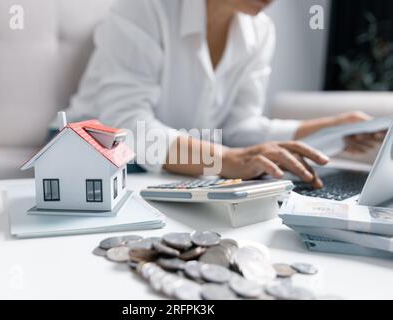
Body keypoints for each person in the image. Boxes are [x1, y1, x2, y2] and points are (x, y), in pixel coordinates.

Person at [64, 0, 384, 189]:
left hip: (179, 162)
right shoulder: (145, 7)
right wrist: (226, 159)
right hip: (88, 153)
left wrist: (330, 128)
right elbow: (126, 133)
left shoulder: (260, 31)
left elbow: (240, 128)